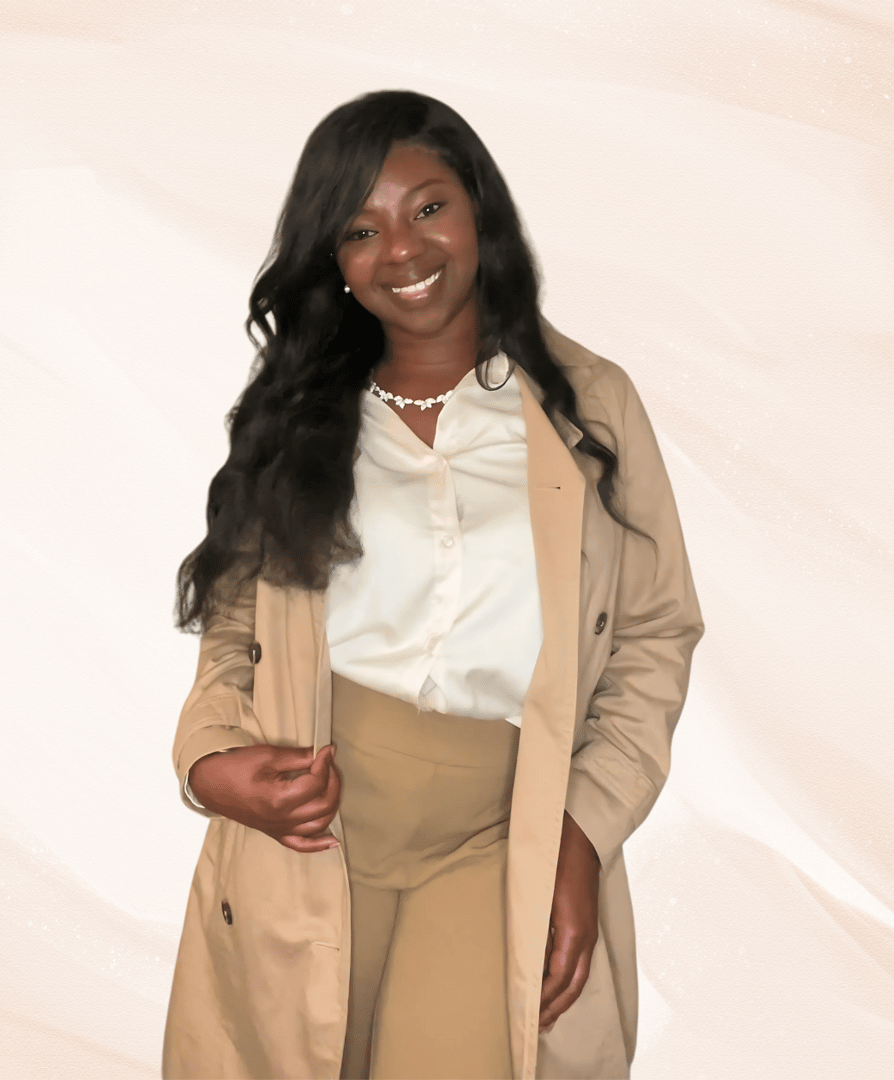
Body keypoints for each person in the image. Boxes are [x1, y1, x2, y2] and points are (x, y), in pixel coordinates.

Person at [163, 90, 701, 1080]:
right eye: (360, 229)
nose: (401, 251)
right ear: (332, 259)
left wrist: (582, 834)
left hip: (496, 834)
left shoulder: (592, 410)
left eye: (428, 208)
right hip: (311, 827)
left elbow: (654, 635)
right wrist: (209, 766)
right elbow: (232, 644)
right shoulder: (297, 424)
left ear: (480, 209)